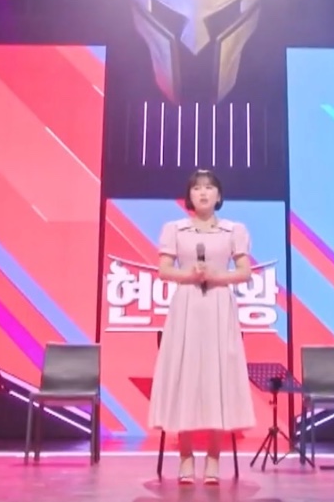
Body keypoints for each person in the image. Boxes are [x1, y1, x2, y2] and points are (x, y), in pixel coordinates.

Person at [149, 169, 257, 484]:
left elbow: (244, 271)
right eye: (197, 189)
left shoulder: (233, 230)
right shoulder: (175, 229)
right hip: (186, 306)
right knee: (184, 375)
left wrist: (217, 276)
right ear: (189, 196)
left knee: (217, 377)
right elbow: (164, 269)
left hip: (219, 307)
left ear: (219, 196)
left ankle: (213, 458)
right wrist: (189, 275)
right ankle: (185, 457)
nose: (203, 193)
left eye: (209, 188)